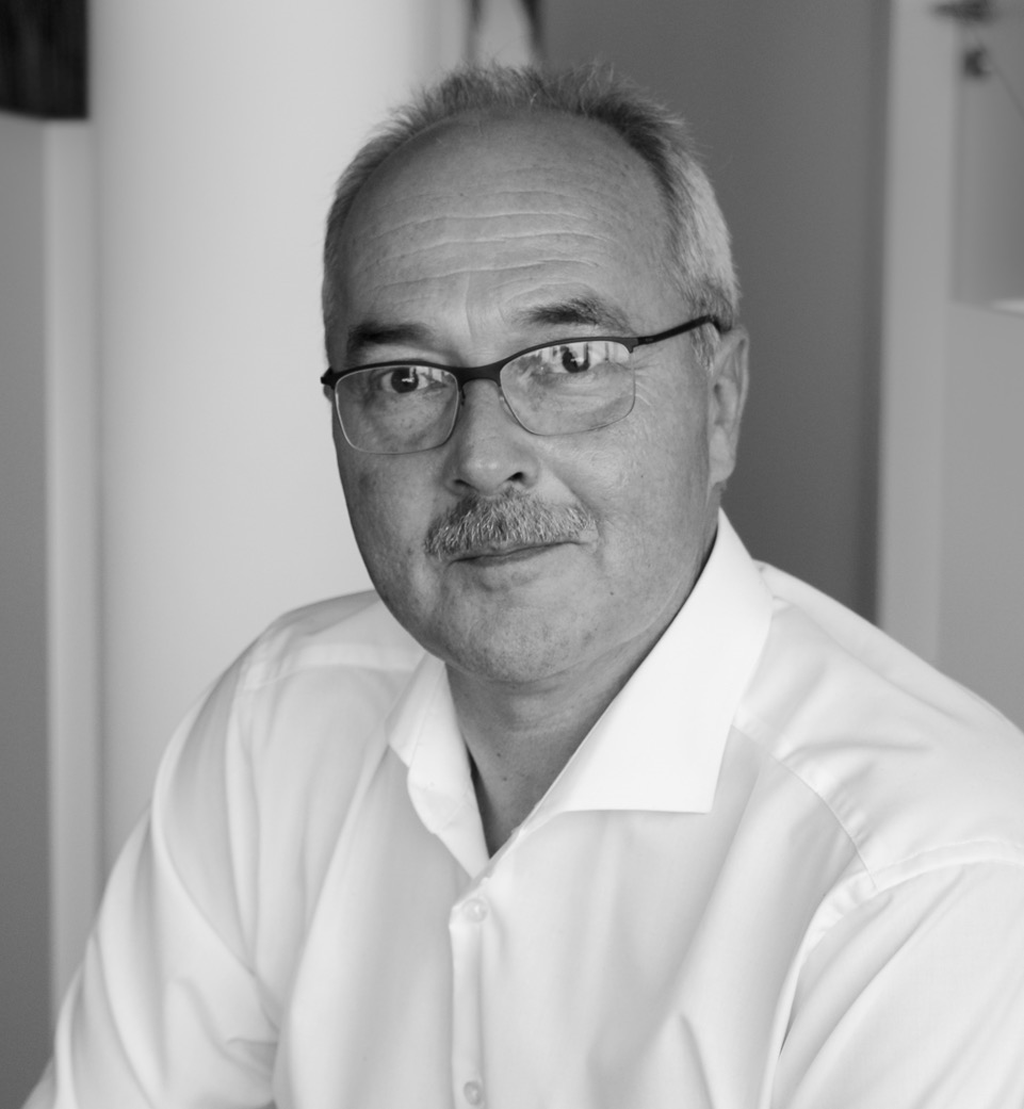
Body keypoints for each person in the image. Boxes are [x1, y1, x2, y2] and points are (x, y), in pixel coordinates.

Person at [26, 64, 1024, 1109]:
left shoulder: (925, 873)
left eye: (570, 358)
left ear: (719, 401)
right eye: (405, 378)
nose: (483, 456)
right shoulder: (276, 723)